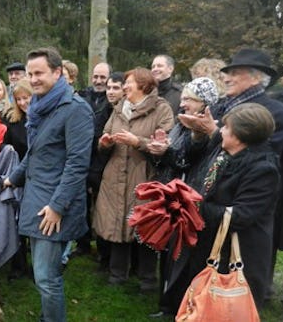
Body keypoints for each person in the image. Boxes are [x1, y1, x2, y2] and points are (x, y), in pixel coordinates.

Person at [4, 47, 93, 322]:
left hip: (52, 206)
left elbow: (78, 164)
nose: (33, 79)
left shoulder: (75, 110)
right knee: (44, 274)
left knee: (45, 277)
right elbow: (36, 152)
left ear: (58, 73)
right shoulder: (42, 107)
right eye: (30, 74)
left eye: (39, 73)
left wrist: (57, 206)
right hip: (37, 196)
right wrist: (13, 178)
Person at [186, 103, 279, 310]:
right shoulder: (228, 155)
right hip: (214, 248)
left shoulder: (263, 169)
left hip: (239, 257)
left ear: (240, 135)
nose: (220, 131)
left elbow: (241, 216)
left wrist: (195, 207)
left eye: (226, 127)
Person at [93, 67, 174, 291]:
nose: (125, 86)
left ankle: (147, 279)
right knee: (118, 223)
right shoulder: (119, 108)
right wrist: (105, 142)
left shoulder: (162, 109)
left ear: (144, 85)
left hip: (145, 178)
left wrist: (137, 141)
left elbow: (166, 146)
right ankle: (117, 274)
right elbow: (105, 135)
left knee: (145, 228)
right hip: (115, 175)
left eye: (128, 83)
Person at [145, 77, 219, 317]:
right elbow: (170, 157)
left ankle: (180, 307)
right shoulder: (181, 124)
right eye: (184, 97)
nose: (183, 102)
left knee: (182, 258)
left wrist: (168, 151)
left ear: (204, 103)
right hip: (171, 196)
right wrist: (157, 150)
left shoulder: (204, 129)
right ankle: (166, 304)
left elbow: (186, 158)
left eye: (189, 99)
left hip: (189, 202)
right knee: (167, 255)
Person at [65, 62, 113, 263]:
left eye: (103, 77)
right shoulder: (82, 96)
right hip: (82, 158)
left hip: (103, 160)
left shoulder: (112, 102)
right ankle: (83, 243)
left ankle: (104, 248)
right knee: (80, 204)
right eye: (96, 77)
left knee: (103, 207)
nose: (99, 81)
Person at [1, 78, 32, 280]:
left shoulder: (43, 118)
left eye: (26, 97)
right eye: (18, 99)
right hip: (18, 176)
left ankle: (38, 266)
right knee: (17, 222)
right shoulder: (12, 120)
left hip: (38, 177)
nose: (22, 102)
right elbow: (5, 148)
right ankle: (18, 265)